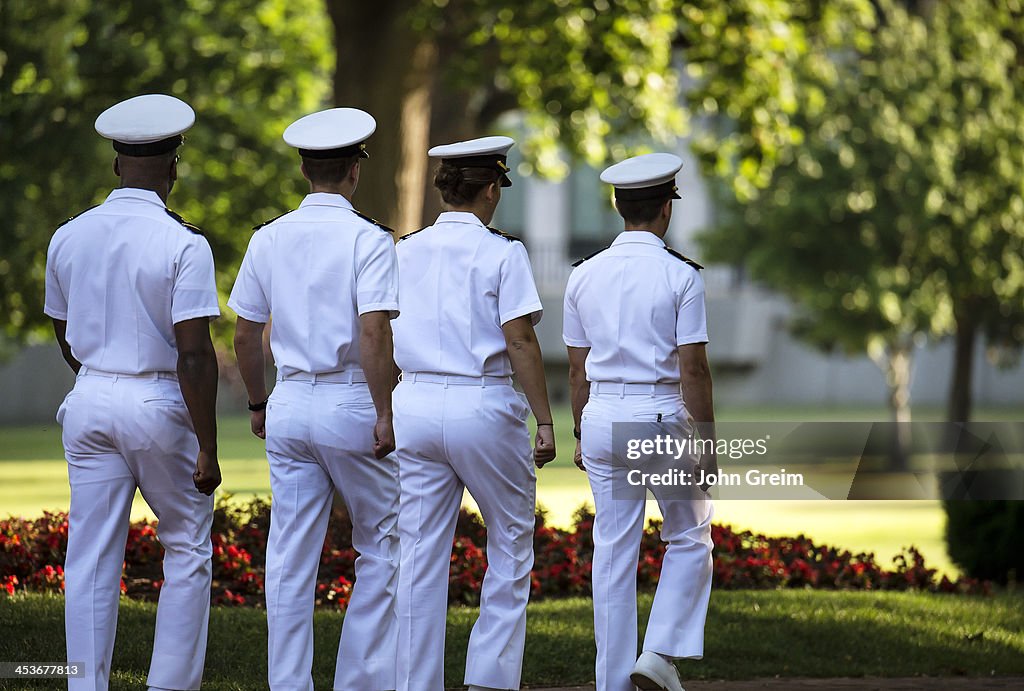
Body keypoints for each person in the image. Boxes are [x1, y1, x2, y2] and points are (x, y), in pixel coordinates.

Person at [44, 94, 221, 691]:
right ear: (174, 166)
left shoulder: (68, 235)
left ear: (116, 164)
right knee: (187, 548)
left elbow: (64, 333)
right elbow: (194, 353)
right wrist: (208, 446)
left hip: (89, 396)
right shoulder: (184, 244)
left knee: (90, 557)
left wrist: (99, 371)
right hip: (158, 401)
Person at [228, 107, 400, 691]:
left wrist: (257, 402)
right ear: (355, 170)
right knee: (383, 543)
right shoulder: (370, 239)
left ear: (304, 168)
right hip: (351, 399)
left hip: (288, 401)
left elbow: (246, 333)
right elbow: (375, 332)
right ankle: (358, 680)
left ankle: (289, 683)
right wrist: (385, 410)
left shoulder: (267, 237)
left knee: (290, 557)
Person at [392, 136, 556, 691]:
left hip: (412, 400)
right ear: (490, 189)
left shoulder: (404, 249)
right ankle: (489, 679)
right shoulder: (503, 252)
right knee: (510, 540)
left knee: (417, 551)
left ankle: (416, 683)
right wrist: (547, 420)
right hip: (482, 401)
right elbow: (521, 342)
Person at [563, 153, 717, 691]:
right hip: (659, 416)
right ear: (666, 209)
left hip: (602, 415)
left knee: (612, 552)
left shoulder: (582, 275)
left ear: (617, 206)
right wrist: (710, 443)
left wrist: (581, 430)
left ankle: (612, 683)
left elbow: (577, 368)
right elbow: (693, 367)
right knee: (691, 537)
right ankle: (659, 652)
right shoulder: (681, 275)